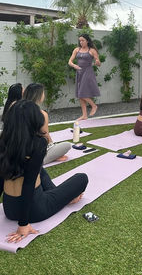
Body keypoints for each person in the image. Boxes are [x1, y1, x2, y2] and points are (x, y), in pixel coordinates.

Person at [0, 100, 88, 243]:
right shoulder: (38, 143)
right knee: (81, 178)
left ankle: (61, 197)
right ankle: (65, 198)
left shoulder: (4, 140)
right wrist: (23, 225)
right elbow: (28, 184)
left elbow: (1, 177)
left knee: (38, 170)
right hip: (35, 209)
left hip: (9, 208)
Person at [23, 83, 72, 165]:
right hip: (34, 150)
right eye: (43, 92)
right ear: (39, 96)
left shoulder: (17, 109)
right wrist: (53, 148)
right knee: (67, 145)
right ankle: (38, 162)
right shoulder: (41, 114)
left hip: (18, 148)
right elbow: (45, 135)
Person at [68, 34, 101, 121]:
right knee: (80, 94)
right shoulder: (76, 49)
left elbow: (98, 63)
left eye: (83, 40)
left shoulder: (92, 50)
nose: (81, 42)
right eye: (80, 40)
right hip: (79, 72)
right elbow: (70, 61)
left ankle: (93, 105)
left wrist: (97, 61)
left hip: (88, 72)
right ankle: (84, 115)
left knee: (81, 93)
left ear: (87, 41)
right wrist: (74, 66)